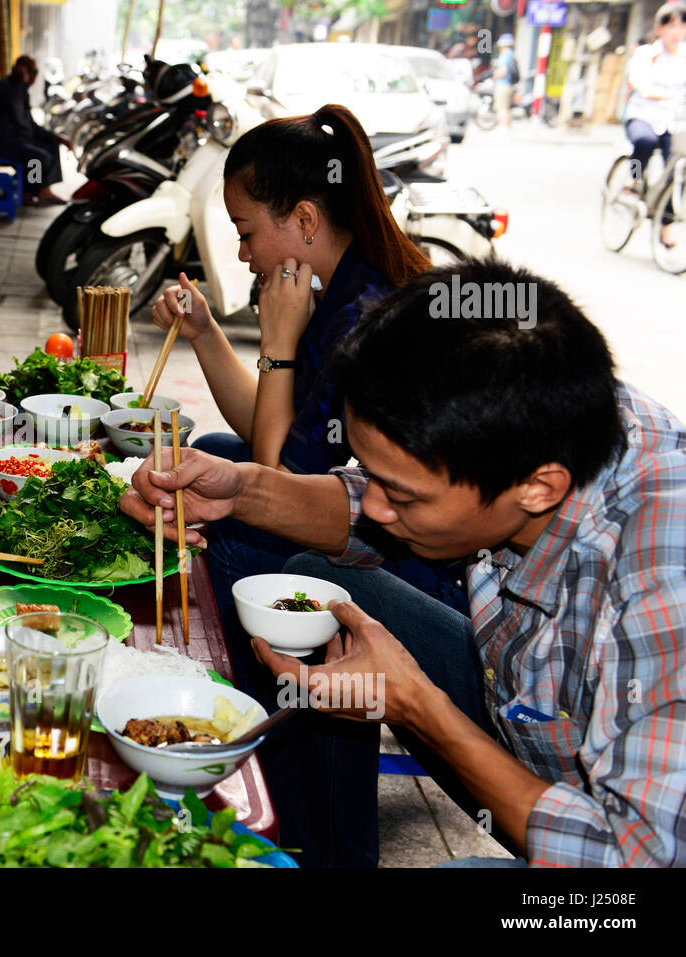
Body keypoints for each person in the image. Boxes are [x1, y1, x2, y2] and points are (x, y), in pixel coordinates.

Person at [123, 259, 686, 867]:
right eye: (375, 475)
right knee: (294, 564)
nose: (377, 506)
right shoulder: (536, 410)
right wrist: (244, 493)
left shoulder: (661, 581)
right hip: (529, 703)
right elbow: (369, 499)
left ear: (539, 488)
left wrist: (417, 704)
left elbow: (631, 862)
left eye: (404, 495)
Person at [149, 104, 465, 694]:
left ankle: (246, 713)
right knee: (218, 447)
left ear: (304, 218)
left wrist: (279, 339)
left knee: (245, 541)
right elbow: (277, 427)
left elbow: (274, 479)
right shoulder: (343, 281)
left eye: (246, 233)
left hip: (433, 569)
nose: (243, 254)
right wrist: (206, 333)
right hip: (375, 520)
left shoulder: (362, 315)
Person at [624, 2, 686, 246]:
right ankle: (634, 178)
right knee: (645, 141)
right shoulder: (646, 54)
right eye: (671, 25)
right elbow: (637, 81)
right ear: (659, 28)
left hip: (675, 122)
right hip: (644, 116)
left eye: (682, 26)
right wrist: (654, 93)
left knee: (679, 170)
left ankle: (665, 225)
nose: (676, 31)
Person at [0, 55, 71, 205]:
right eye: (31, 71)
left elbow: (31, 125)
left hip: (21, 140)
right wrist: (22, 81)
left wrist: (54, 136)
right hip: (6, 143)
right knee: (37, 158)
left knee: (53, 145)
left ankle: (44, 191)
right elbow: (15, 118)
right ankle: (28, 192)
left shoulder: (21, 91)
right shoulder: (4, 88)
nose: (33, 77)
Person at [493, 33, 518, 127]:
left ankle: (503, 127)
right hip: (509, 85)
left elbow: (503, 71)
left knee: (502, 108)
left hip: (503, 85)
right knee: (506, 108)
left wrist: (494, 77)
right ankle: (506, 127)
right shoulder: (512, 54)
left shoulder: (505, 55)